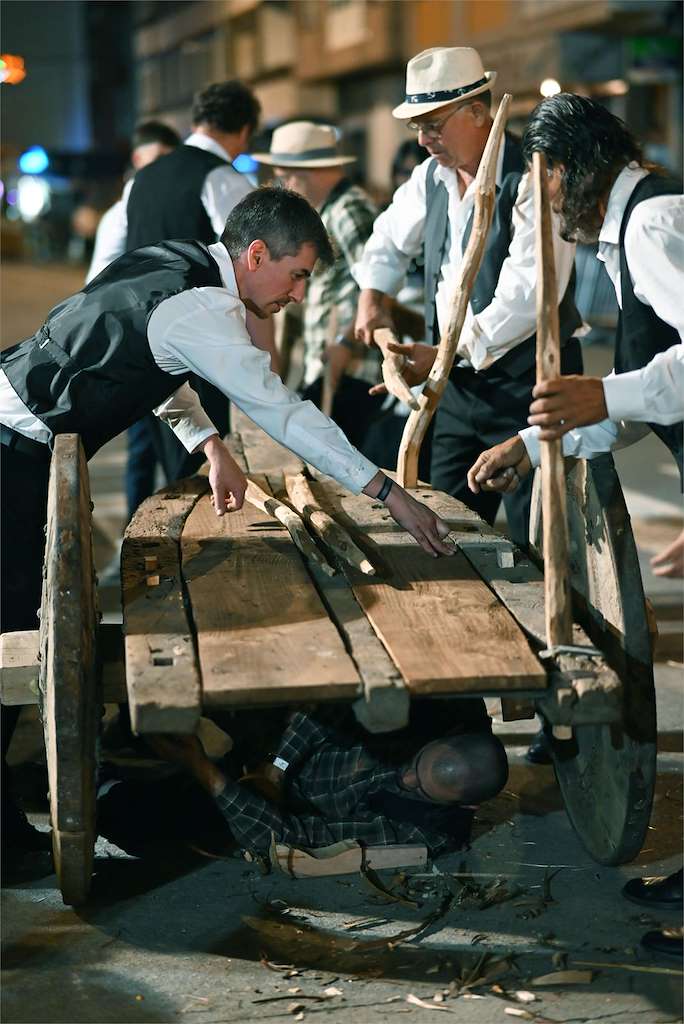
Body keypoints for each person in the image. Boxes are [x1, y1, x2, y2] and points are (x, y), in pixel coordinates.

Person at [0, 187, 456, 859]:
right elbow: (284, 413)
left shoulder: (174, 262)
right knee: (10, 639)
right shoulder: (209, 309)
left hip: (20, 432)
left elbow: (151, 362)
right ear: (256, 253)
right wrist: (388, 493)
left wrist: (209, 445)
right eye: (296, 274)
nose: (298, 293)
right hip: (11, 453)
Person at [465, 94, 683, 960]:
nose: (543, 202)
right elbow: (645, 386)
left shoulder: (657, 223)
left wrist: (607, 393)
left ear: (570, 169)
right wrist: (532, 438)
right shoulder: (636, 229)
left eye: (543, 181)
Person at [354, 46, 583, 548]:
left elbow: (528, 297)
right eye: (418, 126)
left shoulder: (533, 176)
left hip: (529, 389)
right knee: (445, 528)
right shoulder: (428, 179)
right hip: (456, 391)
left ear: (479, 112)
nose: (423, 139)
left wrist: (443, 353)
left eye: (434, 124)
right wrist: (373, 296)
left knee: (539, 546)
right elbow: (386, 241)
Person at [125, 79, 276, 486]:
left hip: (143, 345)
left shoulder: (142, 178)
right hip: (201, 348)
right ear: (244, 130)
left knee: (172, 470)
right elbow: (257, 274)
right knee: (204, 475)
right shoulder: (222, 179)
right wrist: (266, 365)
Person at [142, 707, 509, 861]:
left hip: (271, 810)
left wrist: (203, 769)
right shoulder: (443, 717)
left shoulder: (423, 832)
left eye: (419, 788)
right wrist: (276, 770)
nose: (405, 776)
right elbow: (323, 712)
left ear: (465, 807)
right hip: (279, 760)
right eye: (417, 762)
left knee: (136, 817)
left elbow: (284, 838)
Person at [254, 121, 383, 453]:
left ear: (304, 174)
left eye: (284, 176)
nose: (284, 184)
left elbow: (375, 286)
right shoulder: (327, 211)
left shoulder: (349, 210)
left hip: (352, 366)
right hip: (330, 363)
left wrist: (344, 342)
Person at [86, 120, 182, 521]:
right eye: (155, 160)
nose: (162, 169)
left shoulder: (155, 205)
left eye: (168, 160)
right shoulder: (122, 213)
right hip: (132, 345)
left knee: (158, 443)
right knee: (145, 448)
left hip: (154, 343)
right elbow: (98, 282)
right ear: (137, 159)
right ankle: (134, 535)